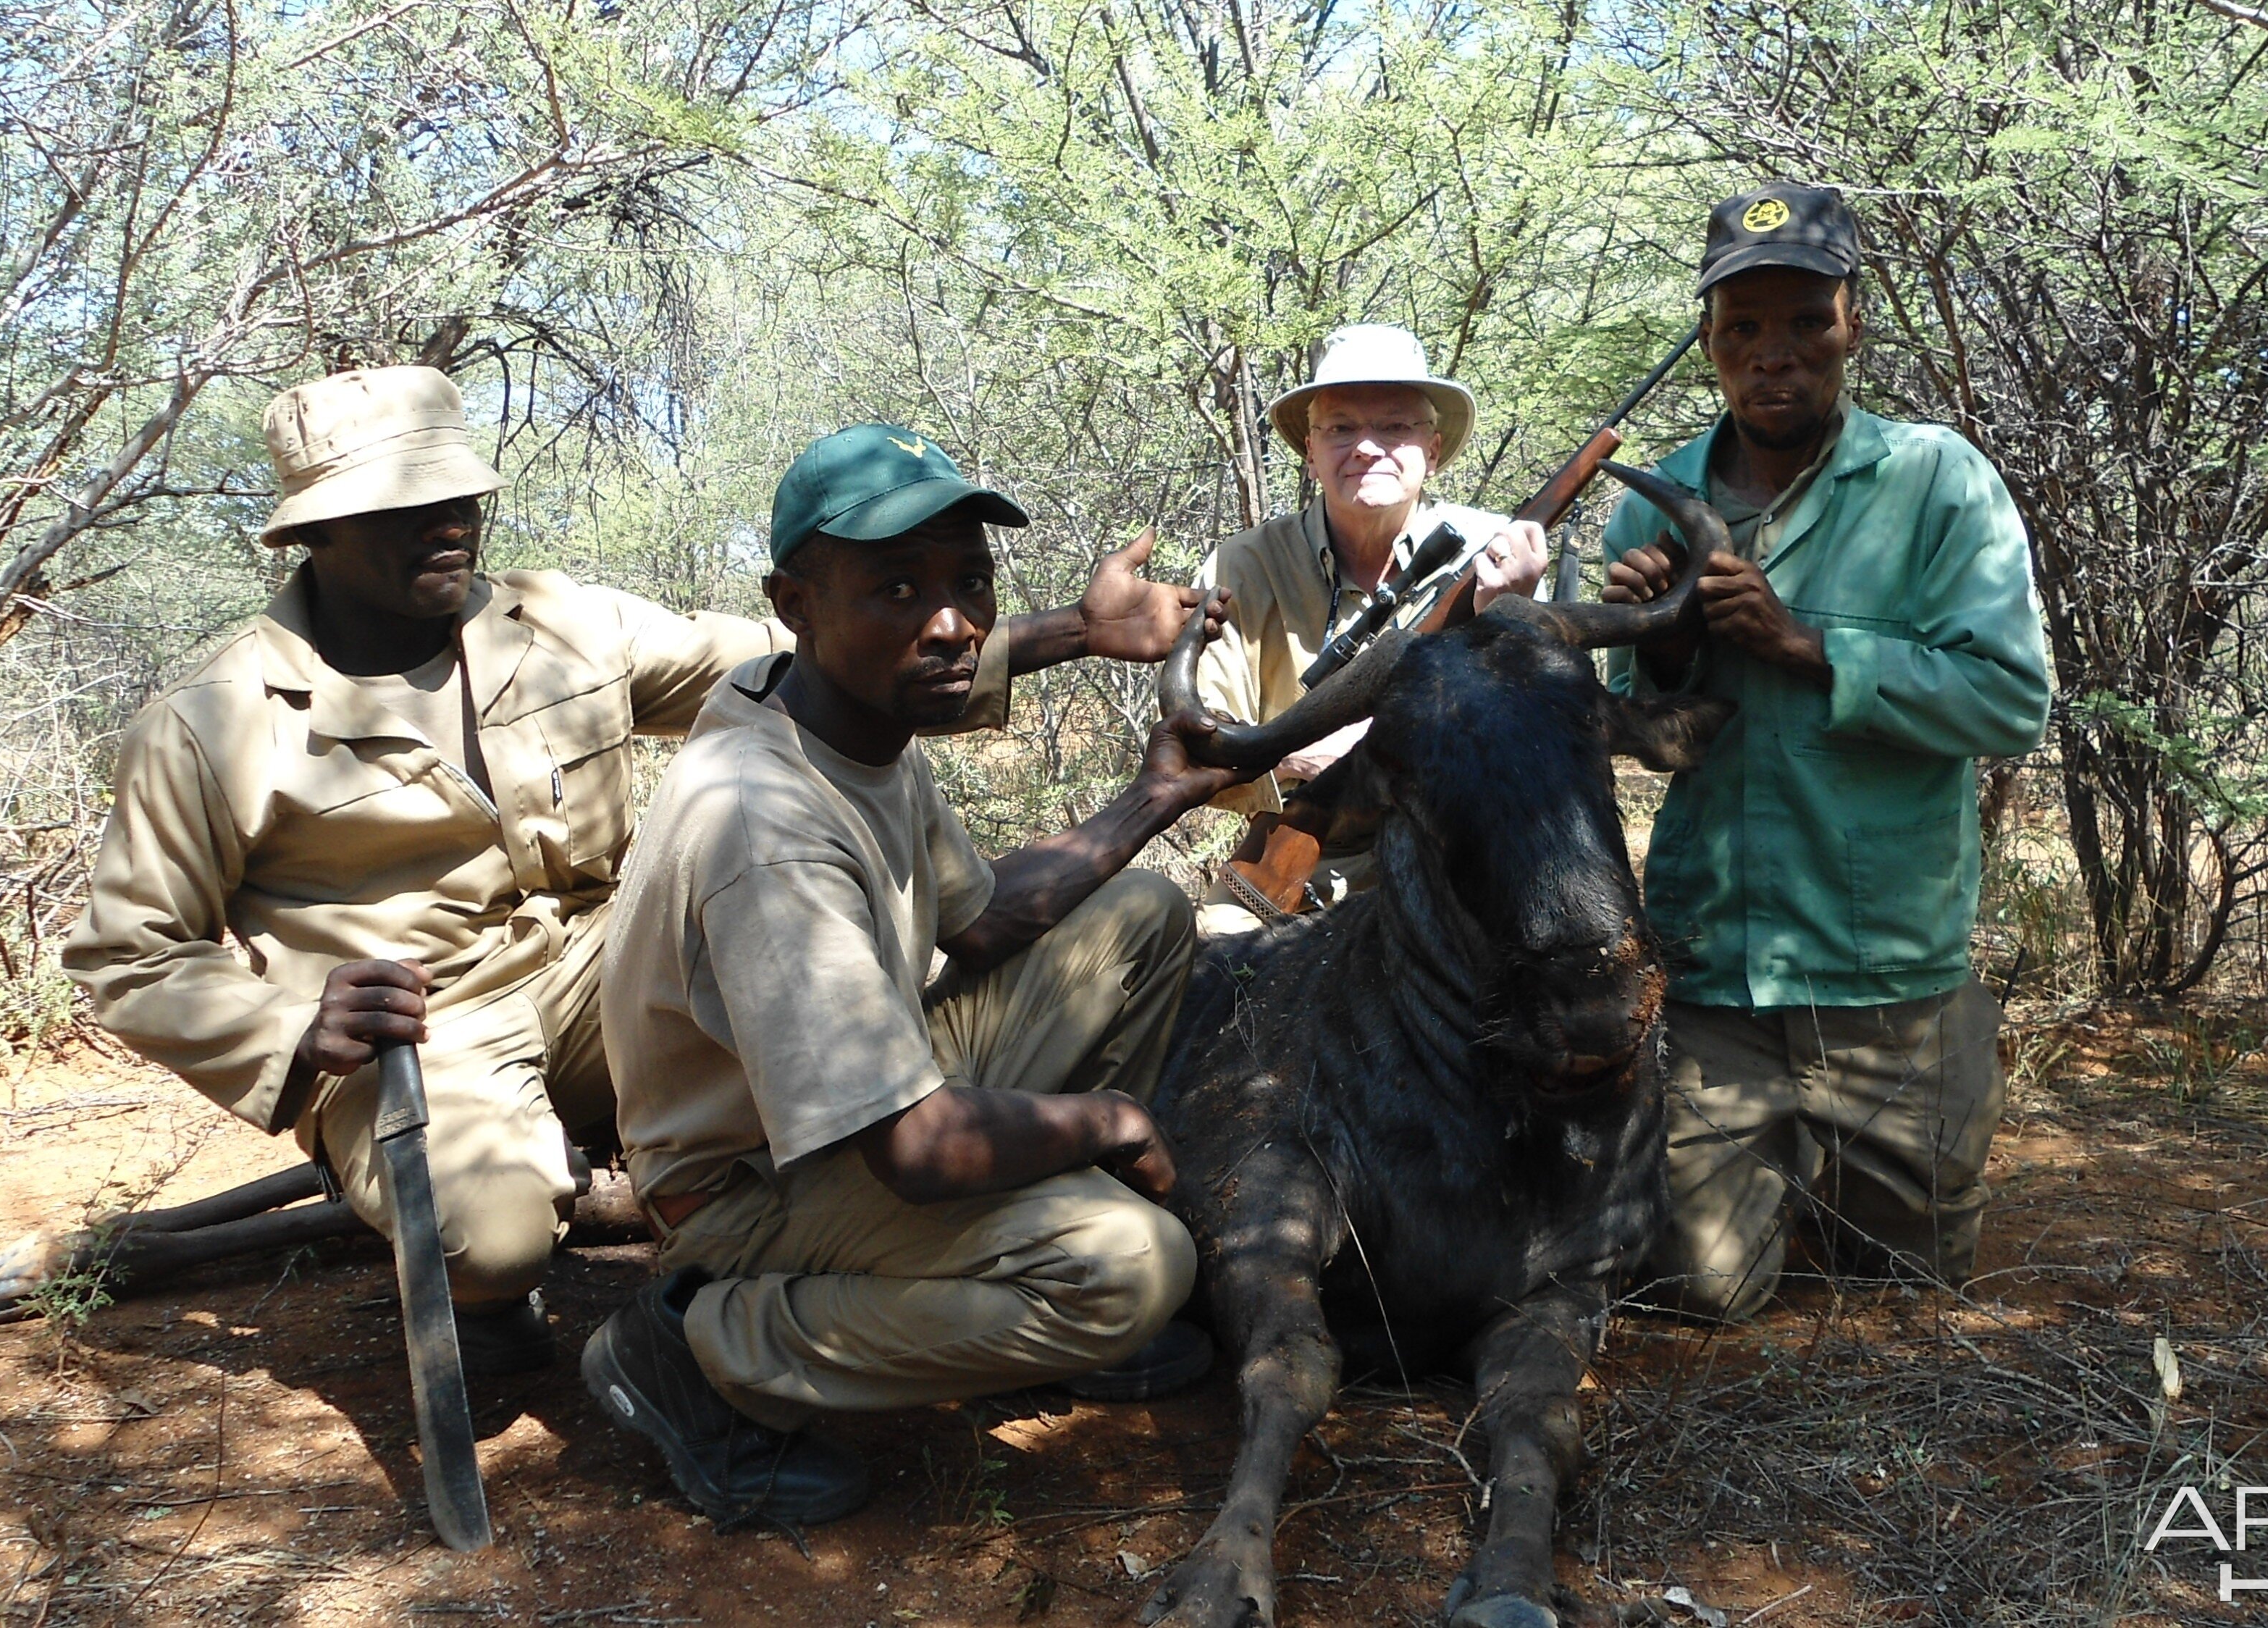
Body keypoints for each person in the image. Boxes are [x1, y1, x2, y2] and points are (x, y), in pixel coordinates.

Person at [62, 369, 1207, 1375]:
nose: (446, 525)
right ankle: (512, 1289)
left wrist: (1078, 632)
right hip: (429, 1030)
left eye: (457, 494)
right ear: (314, 532)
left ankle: (747, 1197)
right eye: (403, 509)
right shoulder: (216, 722)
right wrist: (300, 1024)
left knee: (831, 987)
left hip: (601, 978)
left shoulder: (559, 625)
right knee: (499, 1233)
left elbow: (819, 650)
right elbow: (129, 956)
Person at [584, 425, 1243, 1530]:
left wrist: (1157, 798)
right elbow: (914, 1151)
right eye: (897, 587)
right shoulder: (768, 824)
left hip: (847, 1111)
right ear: (793, 601)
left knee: (1139, 914)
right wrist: (1110, 1124)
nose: (953, 624)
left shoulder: (827, 704)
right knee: (1130, 1266)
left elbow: (982, 926)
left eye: (969, 583)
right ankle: (703, 1346)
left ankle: (1002, 1286)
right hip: (745, 1187)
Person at [1601, 183, 2052, 1321]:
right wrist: (1662, 650)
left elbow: (2009, 705)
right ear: (1709, 343)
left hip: (1888, 977)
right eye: (1743, 328)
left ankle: (1863, 1140)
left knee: (1906, 1283)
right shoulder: (1650, 504)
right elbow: (1644, 738)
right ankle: (1757, 1159)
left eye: (1806, 321)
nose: (1775, 356)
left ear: (1855, 321)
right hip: (1717, 980)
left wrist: (1807, 646)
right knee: (1699, 1289)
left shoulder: (1937, 479)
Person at [1190, 323, 1549, 930]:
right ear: (1310, 450)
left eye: (1395, 426)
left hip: (1459, 856)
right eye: (1341, 428)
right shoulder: (1241, 565)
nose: (1365, 447)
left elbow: (1542, 746)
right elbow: (1200, 740)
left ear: (1432, 451)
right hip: (1304, 861)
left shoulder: (1497, 555)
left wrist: (1515, 622)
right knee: (1217, 957)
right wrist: (1298, 754)